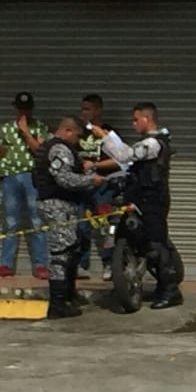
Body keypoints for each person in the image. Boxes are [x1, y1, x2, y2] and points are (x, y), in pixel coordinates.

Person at [92, 103, 182, 309]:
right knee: (144, 241)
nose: (133, 124)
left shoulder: (153, 144)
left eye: (135, 120)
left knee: (156, 245)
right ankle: (157, 285)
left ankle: (171, 291)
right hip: (141, 199)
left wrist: (104, 138)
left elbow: (125, 156)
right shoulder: (149, 142)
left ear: (146, 119)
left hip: (152, 201)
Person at [34, 117, 106, 319]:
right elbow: (64, 179)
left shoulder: (50, 146)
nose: (77, 141)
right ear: (67, 131)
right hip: (57, 205)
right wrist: (92, 180)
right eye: (76, 136)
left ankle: (68, 295)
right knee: (62, 253)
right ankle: (58, 303)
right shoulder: (59, 149)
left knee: (72, 250)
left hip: (61, 204)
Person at [0, 92, 50, 280]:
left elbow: (39, 151)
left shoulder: (40, 128)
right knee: (11, 222)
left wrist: (26, 132)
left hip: (32, 176)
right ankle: (5, 264)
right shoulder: (4, 129)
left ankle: (40, 264)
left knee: (37, 220)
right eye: (20, 108)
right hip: (11, 177)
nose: (23, 112)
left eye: (27, 108)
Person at [77, 94, 120, 280]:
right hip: (82, 187)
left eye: (88, 109)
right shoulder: (78, 132)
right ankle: (81, 264)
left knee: (106, 227)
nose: (84, 113)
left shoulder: (108, 133)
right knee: (81, 226)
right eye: (82, 109)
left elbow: (121, 159)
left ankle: (110, 264)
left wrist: (95, 166)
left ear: (98, 110)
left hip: (103, 188)